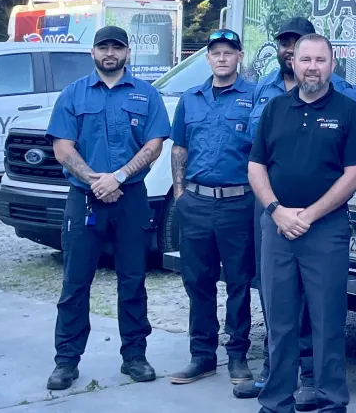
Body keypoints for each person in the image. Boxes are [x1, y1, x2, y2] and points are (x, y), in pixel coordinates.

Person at [249, 33, 356, 413]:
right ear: (294, 63)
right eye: (306, 60)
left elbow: (355, 174)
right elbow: (256, 167)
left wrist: (309, 215)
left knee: (328, 319)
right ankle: (276, 400)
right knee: (280, 320)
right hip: (278, 228)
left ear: (332, 64)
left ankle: (332, 400)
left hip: (326, 230)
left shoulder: (348, 111)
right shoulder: (274, 109)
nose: (313, 67)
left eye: (321, 60)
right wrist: (277, 211)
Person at [44, 26, 170, 391]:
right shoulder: (74, 94)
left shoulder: (146, 95)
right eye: (103, 47)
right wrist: (96, 180)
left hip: (130, 198)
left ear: (128, 52)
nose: (110, 53)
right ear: (93, 53)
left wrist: (117, 177)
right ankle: (66, 361)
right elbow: (63, 149)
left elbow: (154, 145)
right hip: (84, 199)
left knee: (133, 280)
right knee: (74, 282)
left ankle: (134, 356)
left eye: (117, 47)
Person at [167, 28, 258, 387]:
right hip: (197, 203)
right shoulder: (190, 99)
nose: (222, 58)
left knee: (238, 284)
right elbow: (179, 148)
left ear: (239, 57)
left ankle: (237, 356)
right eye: (215, 53)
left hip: (239, 204)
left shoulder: (254, 97)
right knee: (198, 283)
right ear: (207, 58)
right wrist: (179, 195)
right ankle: (202, 356)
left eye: (229, 52)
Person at [255, 16, 356, 114]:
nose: (290, 49)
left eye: (298, 44)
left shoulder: (341, 89)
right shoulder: (263, 86)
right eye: (284, 44)